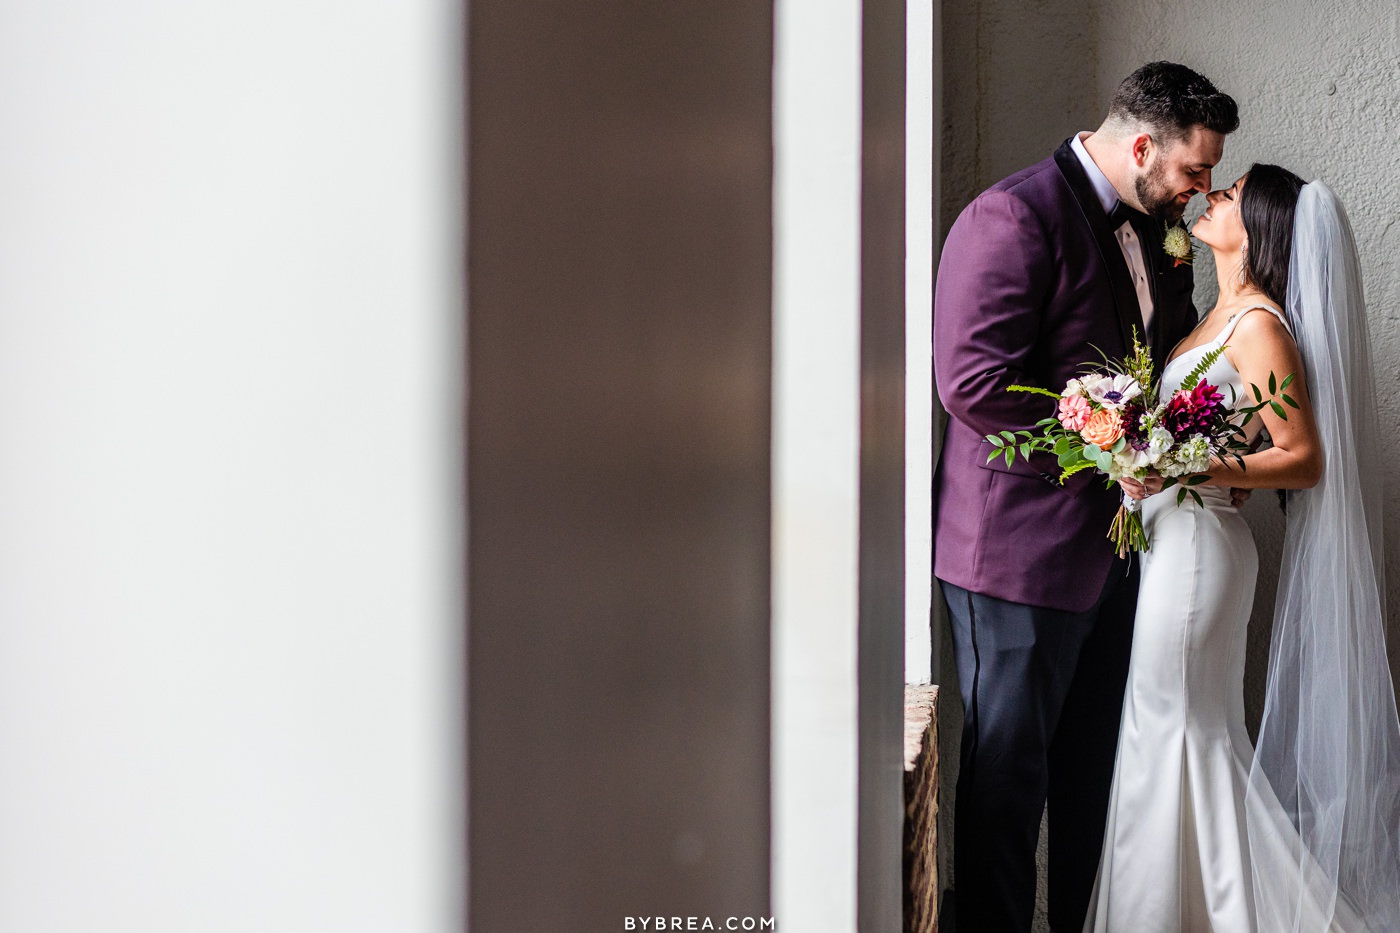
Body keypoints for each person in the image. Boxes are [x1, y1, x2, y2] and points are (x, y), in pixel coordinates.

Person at [932, 62, 1239, 931]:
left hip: (1117, 556)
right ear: (1142, 145)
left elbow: (1166, 355)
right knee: (1005, 788)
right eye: (1193, 169)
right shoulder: (1012, 217)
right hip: (1015, 562)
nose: (1200, 188)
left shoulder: (1159, 226)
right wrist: (1112, 450)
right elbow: (971, 383)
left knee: (1093, 786)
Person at [1085, 168, 1400, 931]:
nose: (1213, 195)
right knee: (1163, 731)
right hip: (1172, 540)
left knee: (1182, 735)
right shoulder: (1220, 312)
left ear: (1257, 227)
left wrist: (1184, 464)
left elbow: (1303, 455)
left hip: (1200, 553)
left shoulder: (1260, 325)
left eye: (1229, 194)